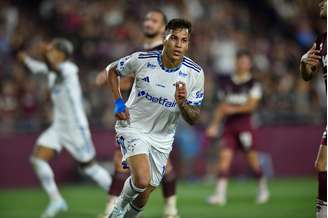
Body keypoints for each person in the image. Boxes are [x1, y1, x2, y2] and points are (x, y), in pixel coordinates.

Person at [97, 18, 204, 218]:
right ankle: (117, 211)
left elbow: (194, 118)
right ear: (164, 38)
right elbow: (112, 71)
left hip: (163, 138)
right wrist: (119, 102)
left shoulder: (195, 74)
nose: (179, 45)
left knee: (144, 194)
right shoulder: (142, 60)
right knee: (141, 179)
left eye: (184, 40)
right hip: (132, 126)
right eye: (174, 39)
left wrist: (183, 104)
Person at [17, 39, 112, 218]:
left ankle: (122, 198)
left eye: (53, 49)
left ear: (61, 54)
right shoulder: (52, 69)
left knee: (89, 167)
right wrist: (26, 60)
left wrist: (45, 54)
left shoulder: (69, 69)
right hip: (59, 126)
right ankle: (56, 200)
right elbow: (40, 68)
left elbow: (54, 68)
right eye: (50, 49)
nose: (50, 50)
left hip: (76, 127)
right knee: (37, 159)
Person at [206, 50, 269, 205]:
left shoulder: (253, 84)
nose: (243, 65)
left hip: (245, 127)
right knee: (224, 159)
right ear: (236, 63)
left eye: (246, 62)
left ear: (249, 65)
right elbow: (222, 106)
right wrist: (214, 125)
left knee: (252, 160)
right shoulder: (227, 83)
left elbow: (251, 106)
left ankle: (263, 189)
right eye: (241, 61)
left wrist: (232, 109)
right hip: (229, 127)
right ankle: (220, 195)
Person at [299, 1, 327, 217]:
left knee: (322, 163)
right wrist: (303, 62)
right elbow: (308, 74)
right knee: (321, 164)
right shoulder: (321, 40)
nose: (321, 2)